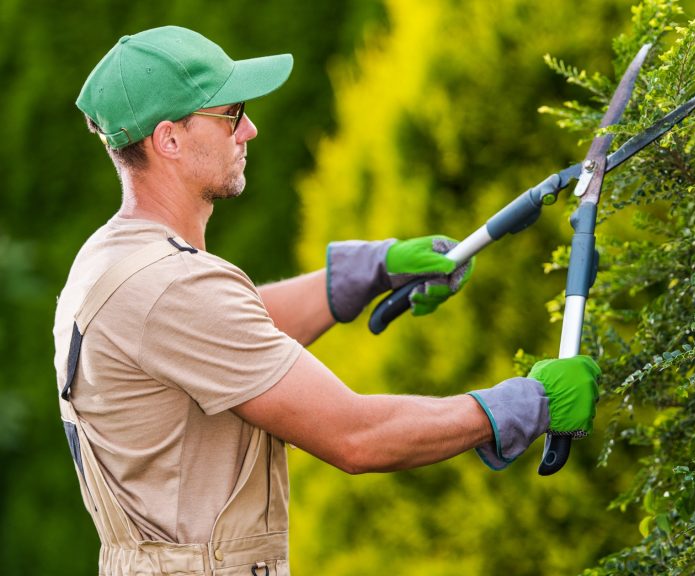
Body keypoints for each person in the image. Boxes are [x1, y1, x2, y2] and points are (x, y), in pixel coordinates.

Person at [54, 26, 600, 575]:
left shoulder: (114, 260)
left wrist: (371, 270)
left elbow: (230, 334)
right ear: (169, 139)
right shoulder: (173, 287)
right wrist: (526, 404)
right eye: (231, 114)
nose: (249, 129)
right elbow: (357, 436)